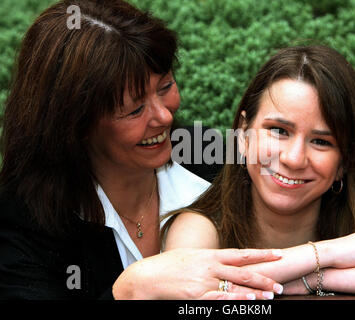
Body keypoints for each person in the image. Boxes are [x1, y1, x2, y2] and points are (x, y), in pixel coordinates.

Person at [0, 0, 285, 300]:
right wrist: (128, 290)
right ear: (75, 124)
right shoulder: (23, 223)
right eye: (135, 110)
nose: (164, 116)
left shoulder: (206, 153)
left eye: (165, 88)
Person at [162, 45, 355, 299]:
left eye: (321, 141)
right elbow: (190, 293)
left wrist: (318, 278)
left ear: (344, 163)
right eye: (279, 131)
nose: (294, 159)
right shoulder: (202, 228)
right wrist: (325, 255)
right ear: (243, 135)